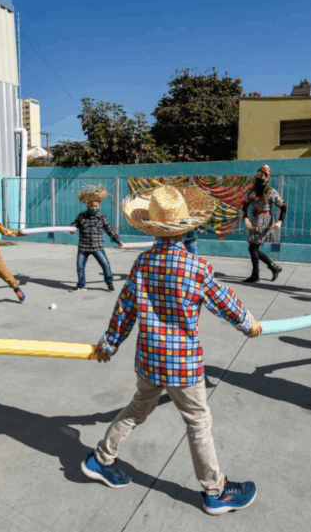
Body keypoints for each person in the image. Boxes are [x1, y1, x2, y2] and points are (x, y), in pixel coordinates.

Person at [82, 185, 264, 515]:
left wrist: (109, 343)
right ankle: (215, 491)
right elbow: (225, 302)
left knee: (137, 410)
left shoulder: (142, 263)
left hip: (149, 361)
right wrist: (247, 322)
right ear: (186, 227)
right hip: (183, 365)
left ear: (152, 228)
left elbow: (125, 308)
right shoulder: (196, 267)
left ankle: (101, 459)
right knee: (198, 422)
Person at [70, 185, 123, 292]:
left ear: (99, 206)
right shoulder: (82, 216)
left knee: (105, 264)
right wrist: (72, 228)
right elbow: (74, 224)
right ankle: (81, 285)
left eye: (96, 206)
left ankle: (109, 282)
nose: (93, 208)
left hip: (97, 247)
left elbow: (109, 230)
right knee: (80, 267)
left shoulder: (101, 217)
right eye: (91, 206)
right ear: (87, 205)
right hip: (83, 247)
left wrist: (117, 240)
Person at [241, 164, 287, 283]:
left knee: (253, 247)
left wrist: (279, 221)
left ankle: (256, 274)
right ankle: (272, 267)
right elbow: (245, 204)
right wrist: (246, 219)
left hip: (265, 221)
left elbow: (283, 206)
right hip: (254, 220)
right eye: (258, 175)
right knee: (253, 248)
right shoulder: (252, 190)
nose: (259, 177)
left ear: (267, 177)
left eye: (262, 175)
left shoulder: (271, 192)